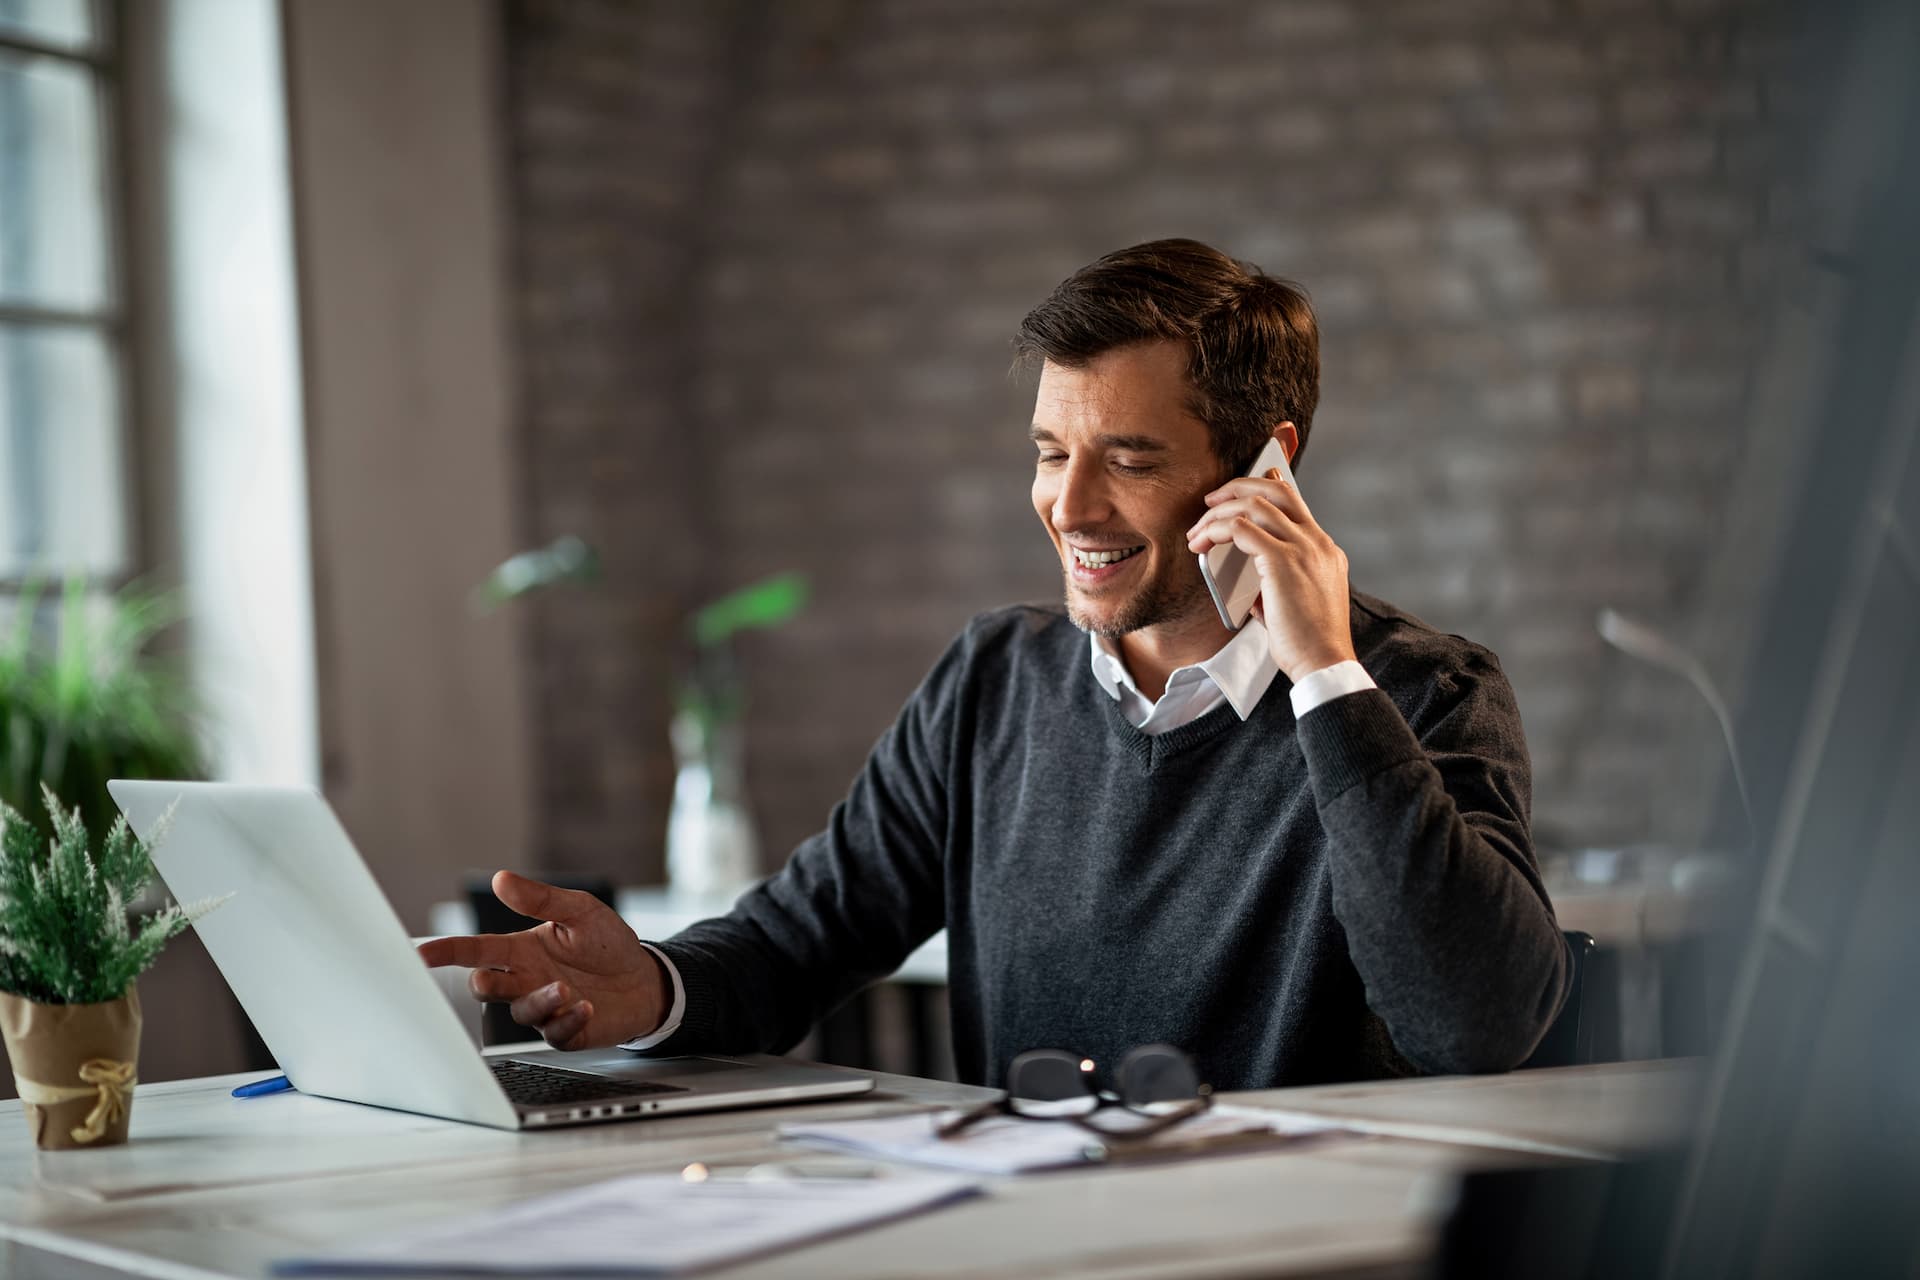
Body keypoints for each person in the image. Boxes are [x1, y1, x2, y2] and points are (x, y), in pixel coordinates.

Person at [420, 239, 1570, 1090]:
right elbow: (794, 940)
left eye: (1126, 457)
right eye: (1049, 451)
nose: (1068, 505)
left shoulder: (1419, 692)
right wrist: (653, 987)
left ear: (1268, 465)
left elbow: (1474, 1024)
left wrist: (1324, 672)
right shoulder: (991, 682)